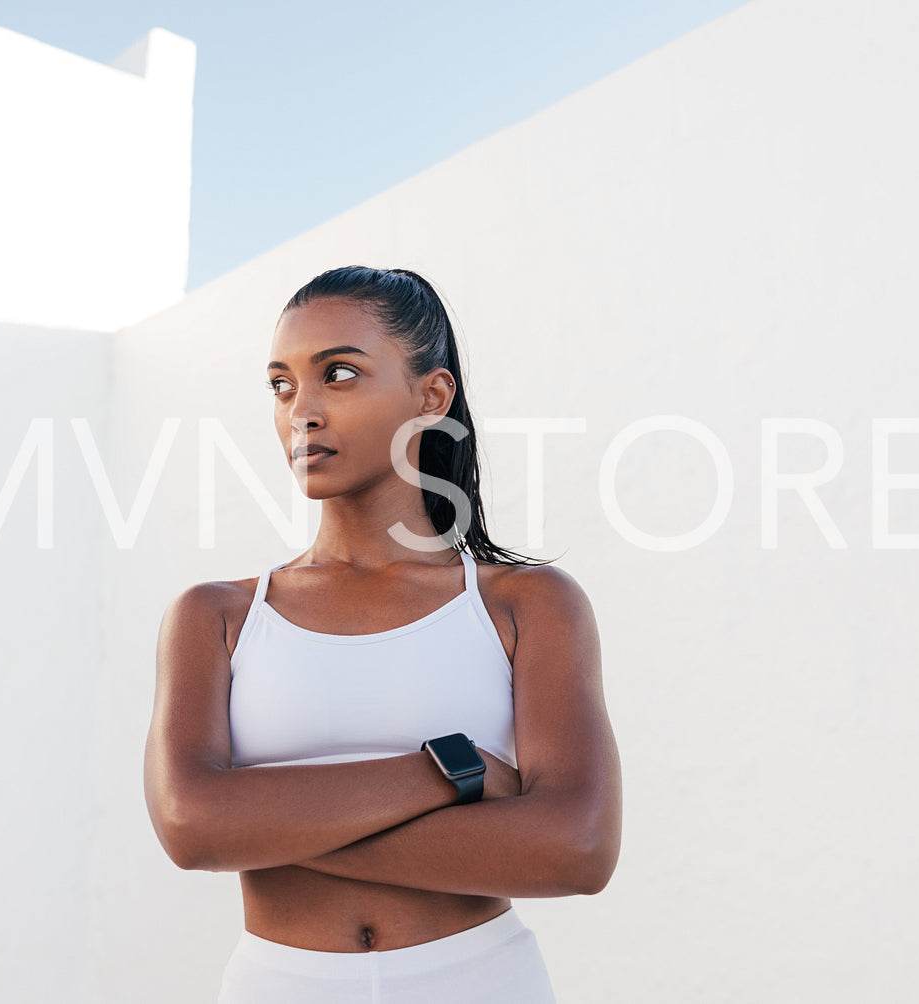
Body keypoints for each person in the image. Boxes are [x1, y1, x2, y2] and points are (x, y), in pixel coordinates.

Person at [145, 265, 622, 1002]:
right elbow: (191, 830)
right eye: (281, 384)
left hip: (479, 981)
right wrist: (447, 773)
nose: (301, 409)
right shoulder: (215, 617)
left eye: (337, 374)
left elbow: (576, 848)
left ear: (430, 397)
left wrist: (267, 824)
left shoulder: (526, 604)